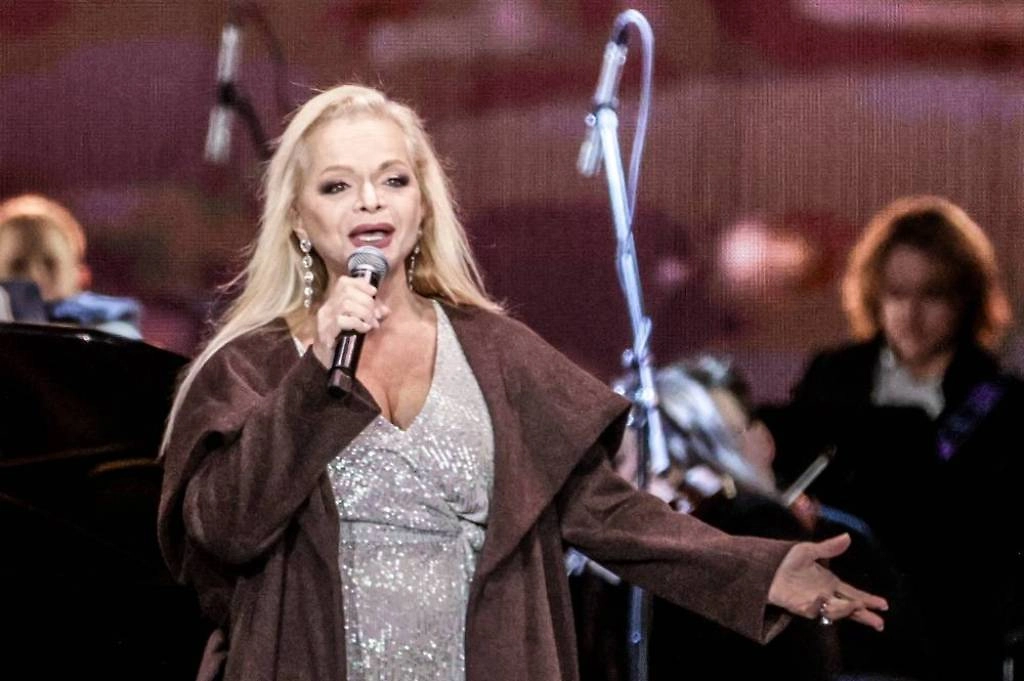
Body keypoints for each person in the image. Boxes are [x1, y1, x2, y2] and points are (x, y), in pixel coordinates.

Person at [156, 83, 886, 681]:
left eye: (393, 180)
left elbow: (606, 514)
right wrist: (314, 376)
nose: (370, 201)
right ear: (298, 217)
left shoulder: (497, 355)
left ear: (423, 204)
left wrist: (761, 571)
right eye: (338, 185)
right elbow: (223, 531)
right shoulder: (252, 366)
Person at [763, 195, 1024, 680]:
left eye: (932, 295)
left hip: (949, 631)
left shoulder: (1002, 400)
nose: (911, 313)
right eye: (897, 294)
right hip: (839, 621)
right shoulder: (833, 375)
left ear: (966, 298)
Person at [0, 193, 142, 337]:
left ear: (81, 275)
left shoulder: (112, 330)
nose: (34, 276)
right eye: (17, 266)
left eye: (50, 264)